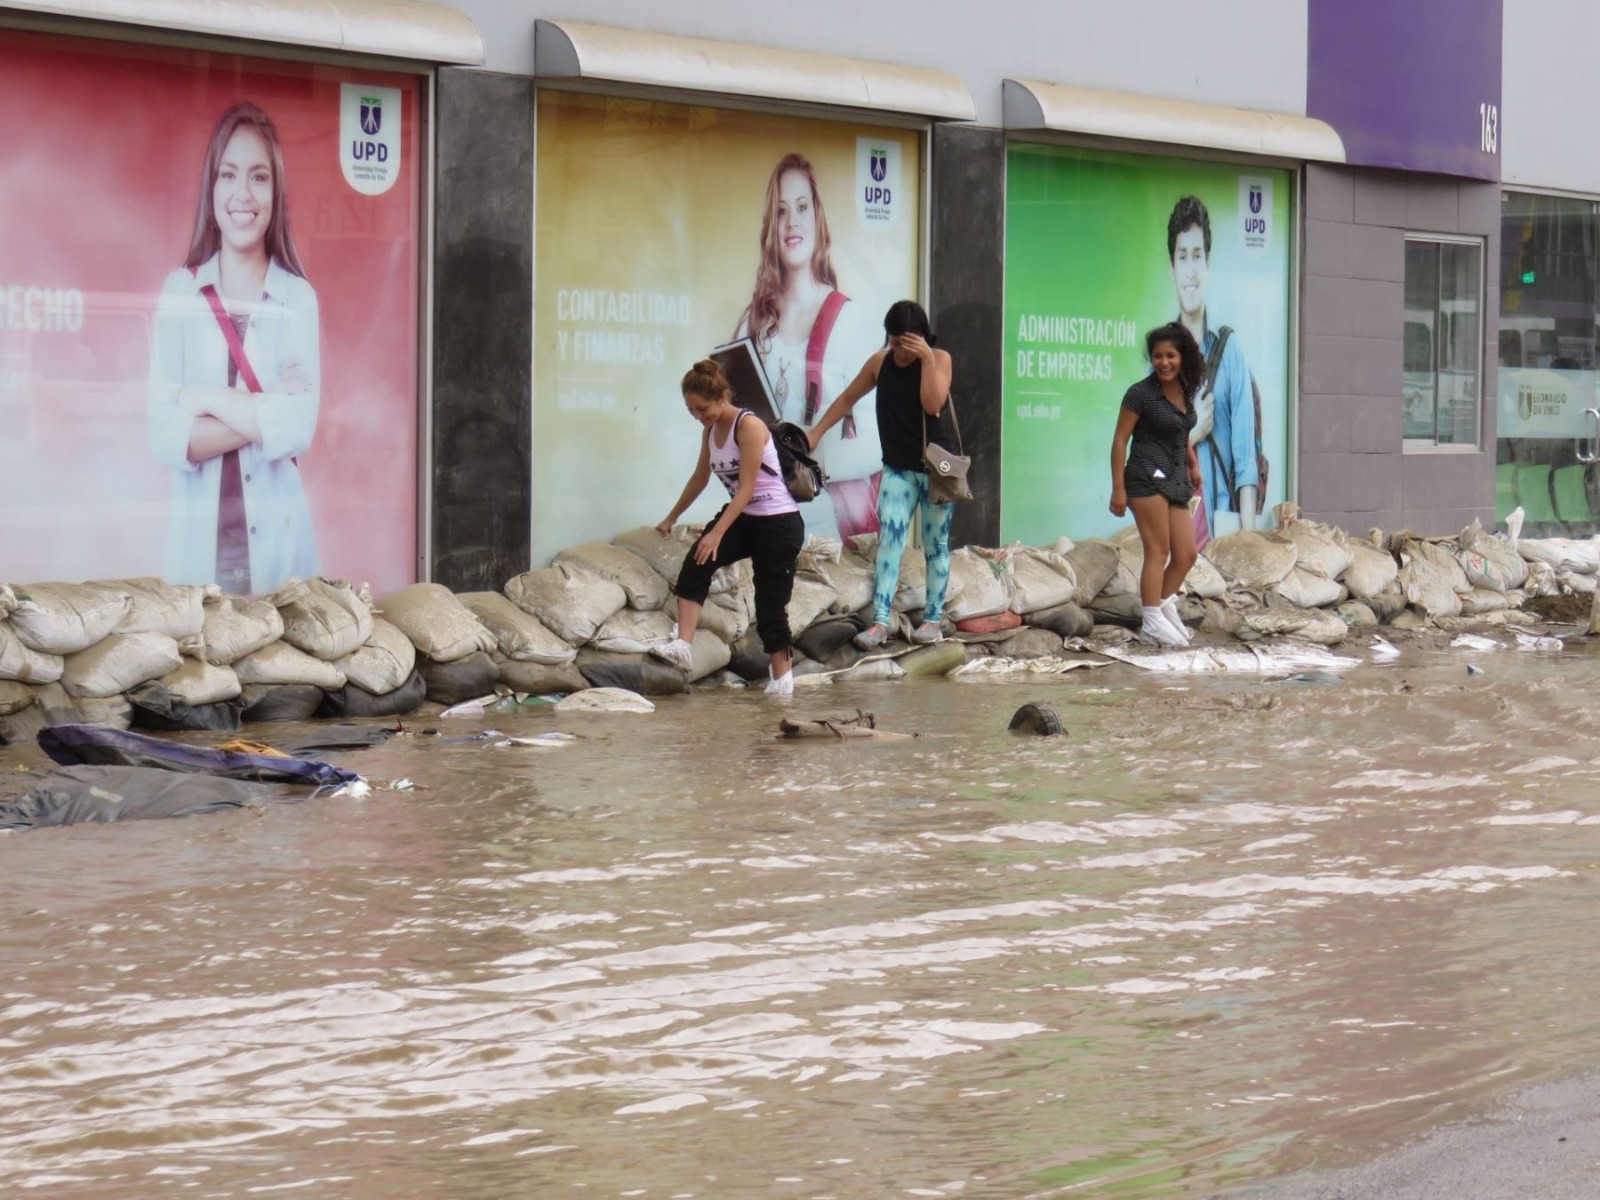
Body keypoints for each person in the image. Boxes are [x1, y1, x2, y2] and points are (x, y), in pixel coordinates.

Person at [147, 101, 321, 594]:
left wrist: (200, 399)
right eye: (229, 174)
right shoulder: (179, 292)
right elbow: (166, 435)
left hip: (281, 560)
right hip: (197, 560)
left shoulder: (297, 299)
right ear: (212, 186)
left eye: (259, 177)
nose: (243, 193)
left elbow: (297, 427)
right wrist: (267, 410)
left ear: (276, 191)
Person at [734, 153, 883, 540]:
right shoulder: (754, 321)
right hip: (764, 509)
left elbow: (878, 441)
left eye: (802, 206)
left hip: (825, 529)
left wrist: (805, 449)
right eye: (781, 211)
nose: (792, 223)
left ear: (817, 215)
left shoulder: (848, 319)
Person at [650, 359, 805, 695]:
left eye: (702, 409)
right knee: (697, 562)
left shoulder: (747, 426)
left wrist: (717, 532)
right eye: (691, 411)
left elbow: (747, 487)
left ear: (722, 396)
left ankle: (783, 683)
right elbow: (699, 479)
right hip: (745, 517)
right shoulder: (710, 431)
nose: (698, 416)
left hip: (778, 523)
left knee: (769, 606)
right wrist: (671, 517)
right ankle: (683, 646)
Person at [807, 300, 954, 649]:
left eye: (908, 342)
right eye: (895, 342)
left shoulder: (940, 359)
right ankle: (881, 622)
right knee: (889, 540)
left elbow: (932, 405)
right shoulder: (880, 363)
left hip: (936, 470)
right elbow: (846, 399)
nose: (900, 351)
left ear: (921, 337)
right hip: (898, 469)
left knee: (936, 545)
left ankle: (933, 620)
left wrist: (927, 358)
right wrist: (816, 433)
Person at [1168, 194, 1259, 541]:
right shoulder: (1161, 358)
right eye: (1182, 256)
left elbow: (1245, 460)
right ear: (1172, 267)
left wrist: (1248, 543)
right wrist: (1191, 435)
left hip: (1220, 531)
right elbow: (1146, 462)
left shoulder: (1228, 351)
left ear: (1208, 265)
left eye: (1197, 256)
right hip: (1174, 529)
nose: (1190, 270)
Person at [1109, 324, 1204, 647]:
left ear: (1183, 357)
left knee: (1187, 554)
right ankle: (1151, 621)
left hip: (1175, 477)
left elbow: (1180, 430)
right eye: (1157, 356)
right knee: (1158, 551)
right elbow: (1120, 440)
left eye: (1170, 356)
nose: (1163, 362)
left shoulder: (1185, 390)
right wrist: (1118, 487)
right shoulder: (1140, 394)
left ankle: (1162, 605)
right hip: (1144, 475)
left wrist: (1194, 463)